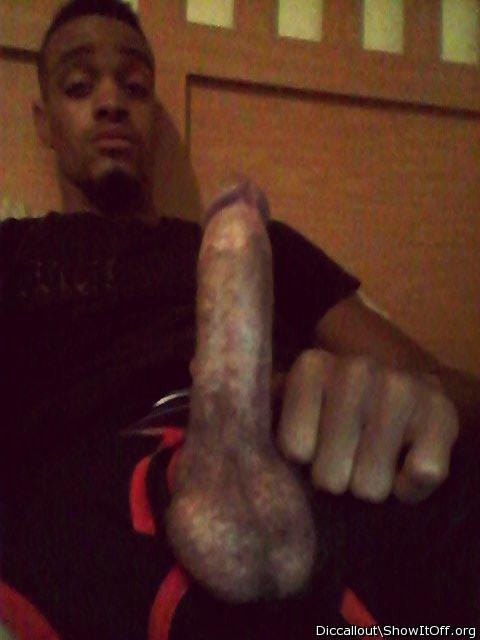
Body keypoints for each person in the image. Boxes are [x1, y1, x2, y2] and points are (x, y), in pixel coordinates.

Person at [0, 0, 479, 638]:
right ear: (44, 121)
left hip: (304, 456)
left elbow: (446, 387)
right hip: (92, 495)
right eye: (80, 85)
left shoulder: (267, 245)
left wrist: (409, 408)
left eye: (135, 86)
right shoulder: (12, 253)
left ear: (153, 116)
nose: (112, 101)